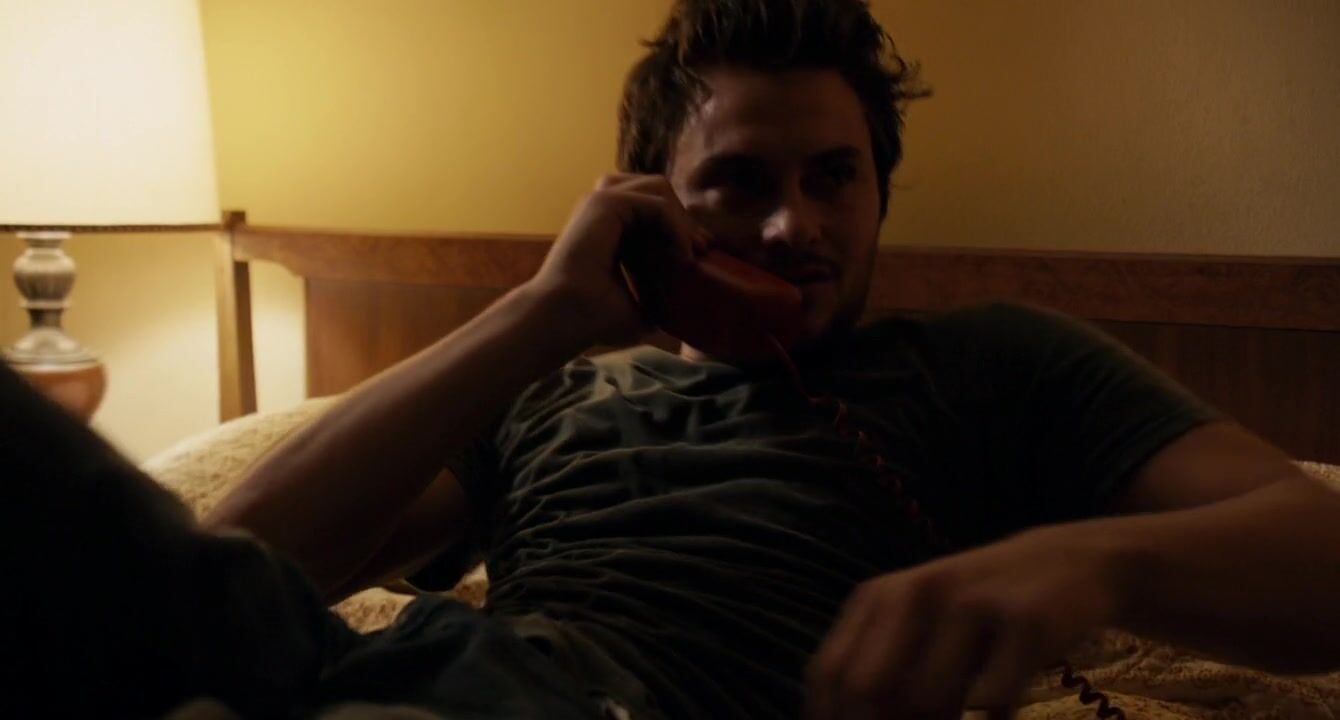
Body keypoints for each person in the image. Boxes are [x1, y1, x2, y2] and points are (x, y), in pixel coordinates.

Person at [4, 0, 1338, 718]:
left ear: (880, 191)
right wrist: (541, 314)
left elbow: (1318, 553)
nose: (795, 228)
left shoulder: (996, 362)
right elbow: (231, 577)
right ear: (653, 202)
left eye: (834, 178)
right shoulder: (544, 381)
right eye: (742, 183)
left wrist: (1089, 562)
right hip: (413, 671)